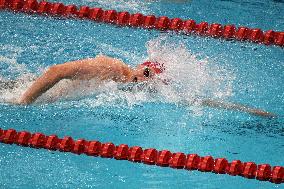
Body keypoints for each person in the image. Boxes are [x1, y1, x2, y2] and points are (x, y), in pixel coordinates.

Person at [18, 55, 275, 117]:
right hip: (23, 91)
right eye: (147, 75)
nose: (147, 82)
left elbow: (193, 101)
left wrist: (248, 110)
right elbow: (56, 72)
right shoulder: (112, 69)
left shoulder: (140, 90)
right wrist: (23, 103)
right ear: (144, 70)